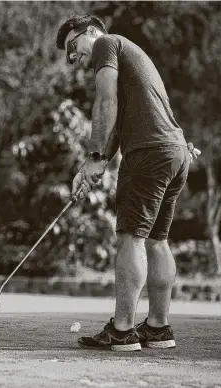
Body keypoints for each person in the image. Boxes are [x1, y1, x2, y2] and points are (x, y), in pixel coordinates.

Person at [56, 15, 201, 351]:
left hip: (149, 153)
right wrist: (96, 164)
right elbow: (117, 128)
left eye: (72, 47)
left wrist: (92, 158)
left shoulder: (108, 43)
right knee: (156, 239)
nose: (72, 58)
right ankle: (157, 327)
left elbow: (105, 102)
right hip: (175, 152)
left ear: (91, 32)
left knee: (130, 239)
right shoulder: (129, 60)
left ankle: (121, 331)